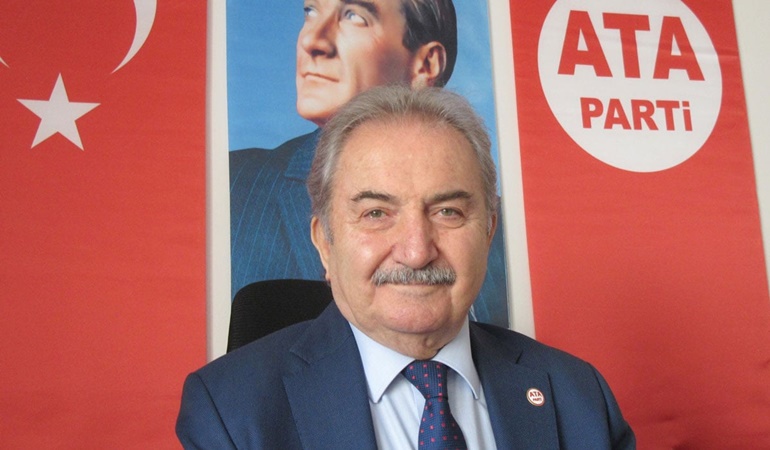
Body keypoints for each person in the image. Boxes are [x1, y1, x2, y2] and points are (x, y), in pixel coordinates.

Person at [178, 86, 636, 448]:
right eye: (376, 213)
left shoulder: (578, 397)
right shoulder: (230, 412)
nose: (417, 252)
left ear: (488, 232)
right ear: (324, 242)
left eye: (448, 212)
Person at [229, 0, 509, 326]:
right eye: (311, 11)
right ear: (322, 239)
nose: (312, 41)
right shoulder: (238, 188)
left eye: (354, 16)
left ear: (426, 63)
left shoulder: (503, 238)